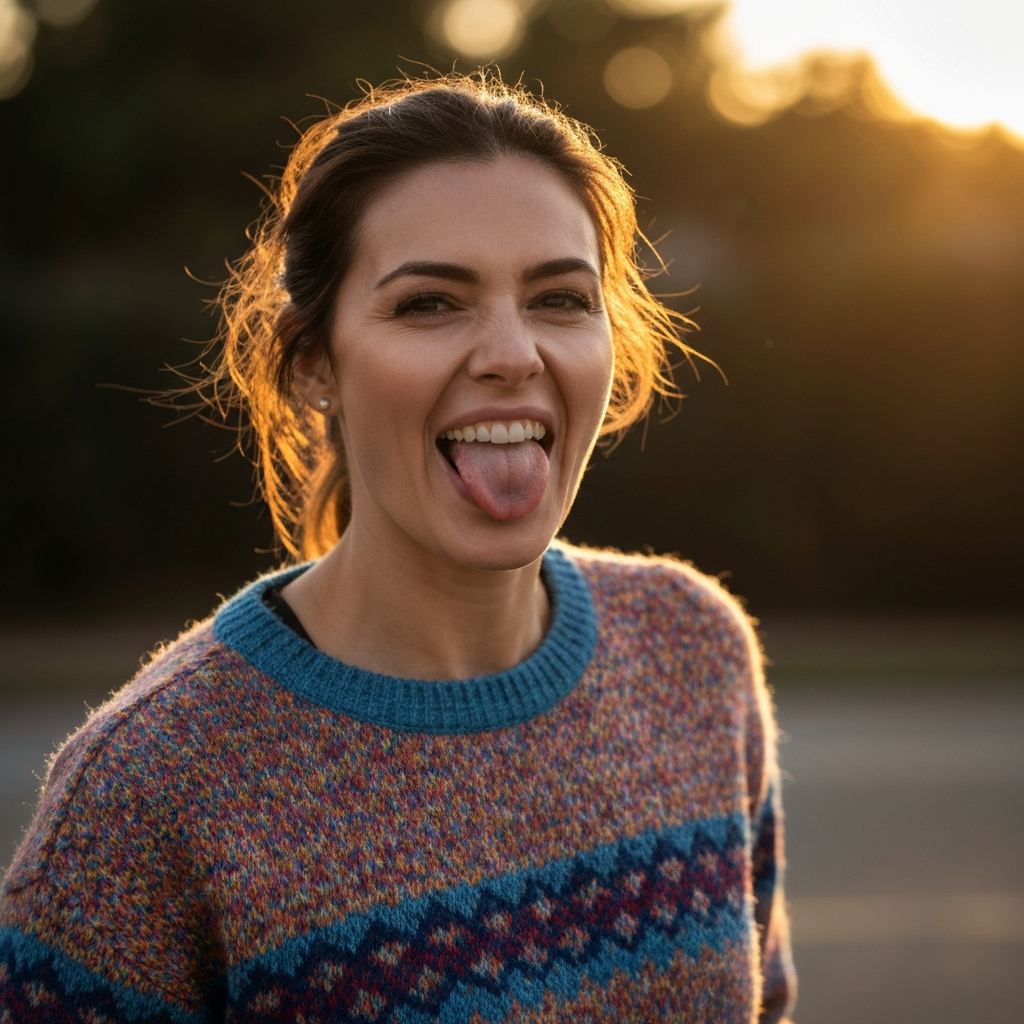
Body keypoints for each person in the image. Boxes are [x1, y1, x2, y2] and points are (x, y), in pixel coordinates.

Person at [0, 75, 795, 1023]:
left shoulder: (693, 651)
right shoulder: (146, 792)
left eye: (560, 298)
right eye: (429, 304)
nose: (513, 353)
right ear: (313, 364)